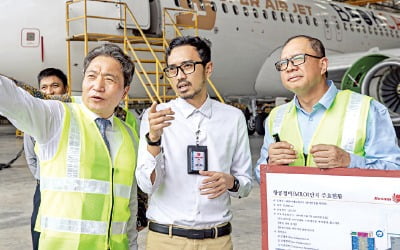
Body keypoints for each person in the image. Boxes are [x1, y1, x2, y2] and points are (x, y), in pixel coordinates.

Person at [0, 43, 139, 249]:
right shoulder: (56, 117)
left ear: (125, 91)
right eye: (91, 76)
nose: (97, 86)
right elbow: (10, 97)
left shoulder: (128, 135)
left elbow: (129, 204)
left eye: (109, 79)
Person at [136, 36, 253, 250]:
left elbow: (245, 183)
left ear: (208, 68)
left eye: (187, 66)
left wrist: (230, 182)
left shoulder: (233, 118)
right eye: (172, 69)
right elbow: (146, 185)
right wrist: (154, 139)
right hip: (166, 240)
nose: (179, 76)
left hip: (217, 240)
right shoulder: (156, 117)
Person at [254, 35, 400, 183]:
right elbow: (260, 175)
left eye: (298, 59)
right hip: (294, 206)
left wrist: (350, 161)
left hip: (347, 205)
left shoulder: (367, 109)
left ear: (323, 65)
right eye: (283, 63)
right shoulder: (276, 116)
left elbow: (394, 171)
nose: (290, 67)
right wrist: (270, 165)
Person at [23, 68, 68, 250]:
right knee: (40, 232)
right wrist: (44, 177)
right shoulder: (33, 121)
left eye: (55, 86)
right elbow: (31, 157)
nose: (49, 92)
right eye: (44, 87)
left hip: (71, 186)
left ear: (65, 89)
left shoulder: (73, 115)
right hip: (45, 187)